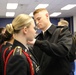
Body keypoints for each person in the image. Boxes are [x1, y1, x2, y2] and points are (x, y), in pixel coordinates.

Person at [27, 8, 73, 75]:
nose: (37, 22)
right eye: (35, 20)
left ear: (47, 15)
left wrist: (37, 43)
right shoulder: (38, 38)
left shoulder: (62, 32)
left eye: (39, 19)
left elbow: (63, 50)